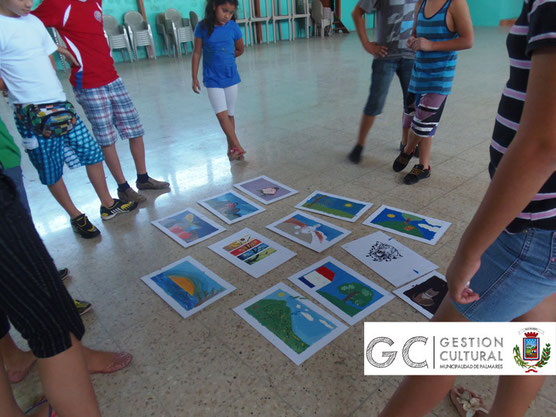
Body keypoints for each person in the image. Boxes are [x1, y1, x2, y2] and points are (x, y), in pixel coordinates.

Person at [379, 1, 556, 416]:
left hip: (534, 229)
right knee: (534, 328)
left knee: (441, 352)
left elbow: (543, 145)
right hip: (547, 234)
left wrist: (469, 251)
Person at [0, 0, 138, 238]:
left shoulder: (32, 22)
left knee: (92, 153)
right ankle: (75, 216)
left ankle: (108, 204)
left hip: (60, 103)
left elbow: (46, 56)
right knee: (51, 169)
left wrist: (59, 52)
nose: (29, 3)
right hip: (32, 113)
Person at [32, 0, 170, 204]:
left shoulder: (96, 1)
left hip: (112, 77)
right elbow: (26, 24)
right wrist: (59, 49)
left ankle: (143, 178)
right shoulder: (58, 4)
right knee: (107, 139)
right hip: (88, 83)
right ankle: (123, 188)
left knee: (135, 130)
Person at [391, 0, 473, 184]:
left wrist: (431, 45)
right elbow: (415, 34)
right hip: (419, 72)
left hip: (440, 77)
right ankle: (424, 166)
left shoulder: (456, 3)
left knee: (423, 122)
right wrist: (413, 41)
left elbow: (468, 40)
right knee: (413, 116)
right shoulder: (422, 2)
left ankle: (407, 150)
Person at [347, 0, 417, 164]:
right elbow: (357, 13)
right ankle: (359, 145)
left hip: (411, 57)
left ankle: (405, 142)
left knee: (411, 103)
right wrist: (367, 44)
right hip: (386, 58)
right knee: (375, 101)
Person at [192, 0, 246, 161]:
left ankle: (232, 149)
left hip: (230, 76)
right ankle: (238, 144)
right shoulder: (202, 27)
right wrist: (194, 77)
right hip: (212, 78)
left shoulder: (233, 27)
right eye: (224, 10)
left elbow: (240, 49)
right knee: (221, 115)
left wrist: (227, 57)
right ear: (215, 6)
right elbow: (196, 53)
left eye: (230, 12)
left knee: (230, 114)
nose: (227, 16)